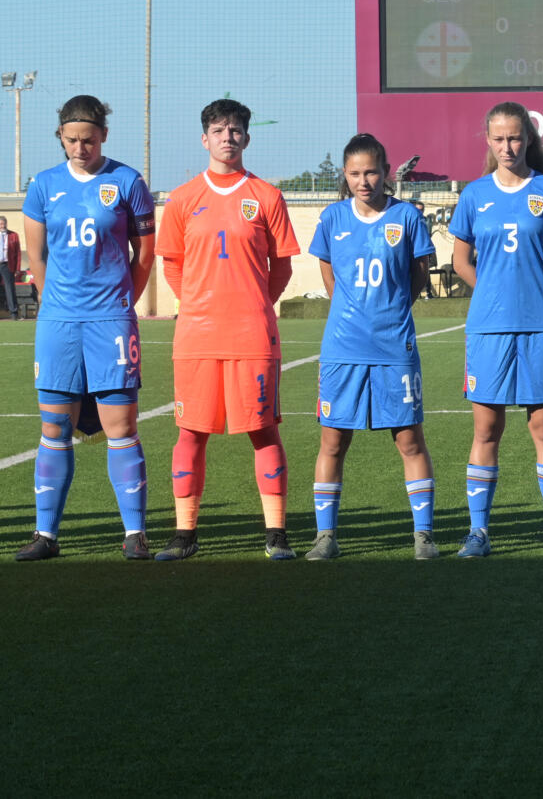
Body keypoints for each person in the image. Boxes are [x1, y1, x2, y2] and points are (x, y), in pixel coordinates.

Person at [153, 98, 301, 561]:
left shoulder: (267, 196)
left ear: (247, 138)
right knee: (190, 434)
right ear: (205, 139)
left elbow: (281, 268)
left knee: (264, 431)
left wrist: (253, 304)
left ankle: (276, 533)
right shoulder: (181, 199)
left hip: (252, 336)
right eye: (219, 130)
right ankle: (185, 534)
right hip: (196, 338)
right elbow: (172, 265)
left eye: (235, 130)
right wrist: (199, 304)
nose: (227, 138)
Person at [14, 95, 156, 561]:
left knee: (121, 426)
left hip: (110, 322)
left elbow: (145, 254)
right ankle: (46, 536)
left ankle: (135, 534)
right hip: (58, 323)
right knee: (54, 426)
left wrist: (121, 301)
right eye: (72, 140)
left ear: (104, 136)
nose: (80, 148)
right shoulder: (43, 185)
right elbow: (37, 256)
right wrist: (53, 302)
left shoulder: (128, 182)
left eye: (89, 140)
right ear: (61, 136)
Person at [447, 103, 543, 558]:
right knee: (486, 429)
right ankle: (478, 532)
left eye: (515, 138)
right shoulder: (474, 195)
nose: (507, 147)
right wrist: (493, 292)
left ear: (529, 139)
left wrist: (538, 291)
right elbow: (460, 261)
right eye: (499, 138)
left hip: (539, 326)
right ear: (488, 140)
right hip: (488, 328)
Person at [305, 133, 442, 561]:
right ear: (345, 176)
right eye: (355, 174)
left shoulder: (407, 217)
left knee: (410, 441)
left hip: (394, 348)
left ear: (385, 172)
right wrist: (349, 312)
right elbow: (328, 272)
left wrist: (394, 309)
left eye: (371, 172)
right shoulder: (332, 218)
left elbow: (419, 273)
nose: (363, 181)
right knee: (333, 442)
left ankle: (423, 535)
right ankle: (325, 536)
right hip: (343, 349)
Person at [1, 214, 21, 319]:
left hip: (7, 265)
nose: (2, 226)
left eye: (3, 223)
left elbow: (18, 253)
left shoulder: (14, 235)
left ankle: (13, 313)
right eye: (0, 224)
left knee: (10, 289)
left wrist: (17, 268)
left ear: (6, 224)